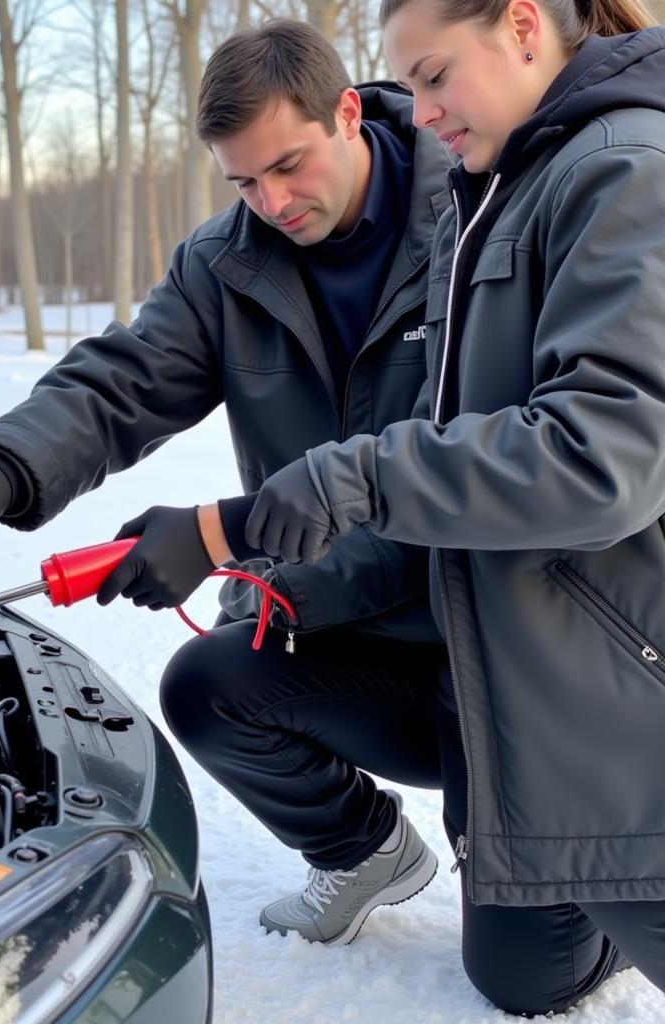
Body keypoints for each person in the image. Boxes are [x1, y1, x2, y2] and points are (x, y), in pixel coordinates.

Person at [0, 20, 456, 945]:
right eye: (242, 180)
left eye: (289, 166)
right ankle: (363, 851)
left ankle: (571, 837)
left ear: (348, 112)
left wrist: (220, 541)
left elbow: (472, 481)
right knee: (206, 687)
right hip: (351, 630)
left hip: (487, 643)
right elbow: (123, 381)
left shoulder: (476, 222)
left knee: (527, 974)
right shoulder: (228, 263)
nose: (270, 201)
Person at [209, 0, 665, 1011]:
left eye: (430, 74)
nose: (414, 112)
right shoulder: (505, 181)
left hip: (627, 689)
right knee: (519, 974)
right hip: (517, 661)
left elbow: (604, 458)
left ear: (521, 24)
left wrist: (346, 477)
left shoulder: (623, 165)